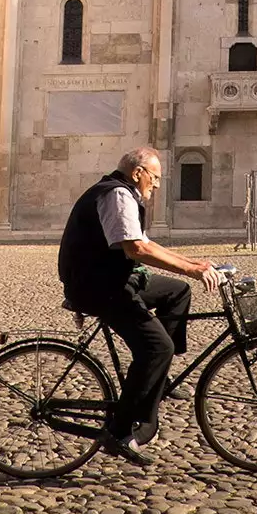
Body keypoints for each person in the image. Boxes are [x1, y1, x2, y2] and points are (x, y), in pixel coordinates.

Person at [57, 147, 220, 468]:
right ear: (138, 173)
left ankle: (159, 380)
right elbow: (136, 249)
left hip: (113, 279)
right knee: (157, 348)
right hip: (100, 286)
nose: (157, 185)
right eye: (155, 177)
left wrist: (194, 264)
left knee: (177, 292)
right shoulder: (117, 195)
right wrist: (192, 269)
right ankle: (119, 430)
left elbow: (145, 242)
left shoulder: (125, 195)